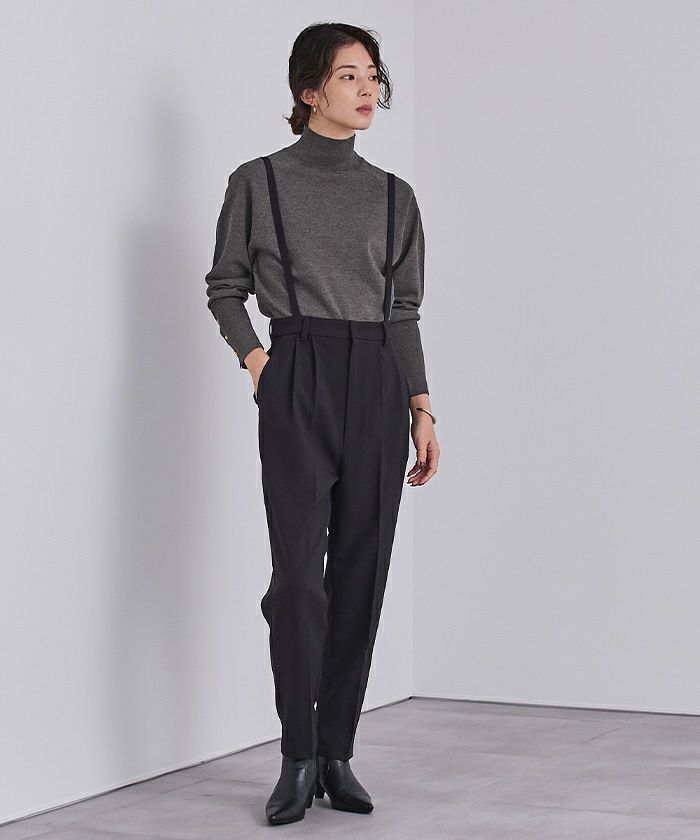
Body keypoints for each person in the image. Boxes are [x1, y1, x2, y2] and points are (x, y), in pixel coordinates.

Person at [204, 22, 440, 825]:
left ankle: (337, 752)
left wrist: (421, 406)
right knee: (300, 581)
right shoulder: (259, 182)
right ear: (309, 90)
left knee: (363, 573)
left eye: (373, 75)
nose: (368, 89)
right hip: (297, 367)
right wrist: (258, 362)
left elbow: (403, 310)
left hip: (376, 377)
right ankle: (297, 753)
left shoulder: (394, 196)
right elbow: (225, 286)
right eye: (349, 75)